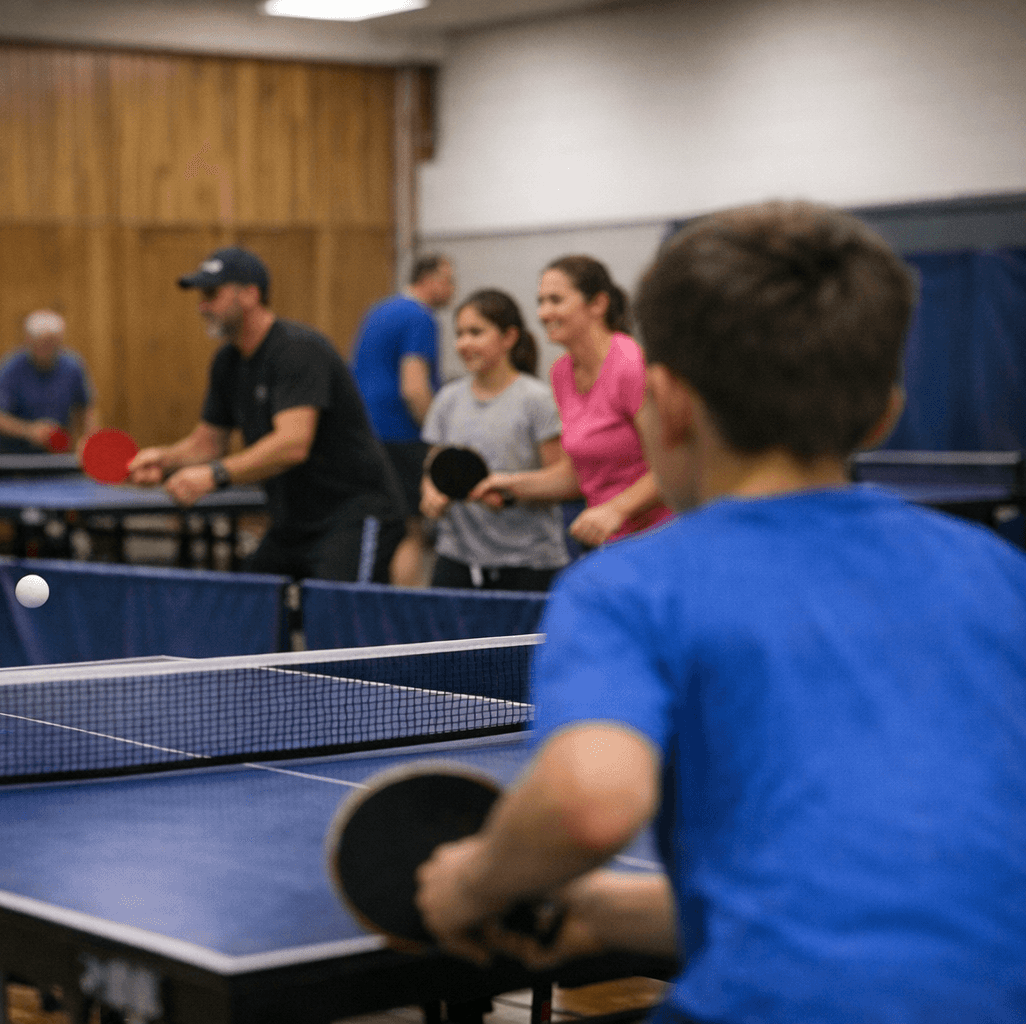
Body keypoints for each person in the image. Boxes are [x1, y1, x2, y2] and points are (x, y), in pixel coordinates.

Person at [414, 200, 1026, 1022]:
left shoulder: (629, 587)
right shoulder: (995, 572)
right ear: (884, 411)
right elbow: (866, 898)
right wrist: (603, 912)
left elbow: (589, 800)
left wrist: (474, 882)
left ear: (664, 404)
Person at [127, 246, 405, 582]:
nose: (202, 306)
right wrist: (165, 460)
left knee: (342, 628)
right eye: (201, 296)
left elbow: (292, 444)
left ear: (250, 294)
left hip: (354, 516)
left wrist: (213, 475)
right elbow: (207, 444)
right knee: (251, 611)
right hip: (293, 523)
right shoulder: (227, 363)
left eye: (212, 294)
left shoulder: (299, 351)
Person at [488, 256, 670, 547]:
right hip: (608, 543)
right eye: (541, 301)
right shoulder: (561, 373)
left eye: (556, 300)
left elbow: (675, 463)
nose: (543, 312)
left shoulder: (629, 365)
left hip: (660, 538)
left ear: (597, 304)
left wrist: (616, 508)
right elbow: (574, 476)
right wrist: (509, 485)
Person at [419, 289, 568, 592]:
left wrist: (508, 493)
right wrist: (431, 493)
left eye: (476, 332)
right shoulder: (447, 399)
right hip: (457, 560)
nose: (464, 343)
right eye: (459, 334)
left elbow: (559, 484)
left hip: (529, 564)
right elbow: (433, 469)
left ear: (509, 337)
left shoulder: (536, 400)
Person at [351, 253, 456, 585]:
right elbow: (414, 387)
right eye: (449, 280)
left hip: (366, 434)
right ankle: (404, 618)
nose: (453, 289)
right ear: (430, 279)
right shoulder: (420, 318)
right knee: (411, 530)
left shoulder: (380, 310)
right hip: (401, 435)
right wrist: (438, 433)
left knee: (383, 527)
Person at [0, 309, 99, 454]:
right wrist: (29, 431)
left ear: (60, 340)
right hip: (11, 459)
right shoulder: (10, 369)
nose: (46, 349)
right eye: (41, 343)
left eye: (51, 343)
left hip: (55, 458)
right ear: (28, 340)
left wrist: (90, 439)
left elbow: (87, 409)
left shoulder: (73, 367)